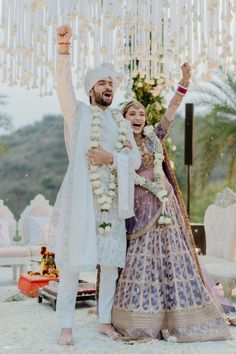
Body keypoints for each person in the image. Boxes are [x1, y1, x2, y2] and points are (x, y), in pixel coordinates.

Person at [111, 64, 232, 342]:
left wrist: (183, 83)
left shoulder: (156, 137)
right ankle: (141, 320)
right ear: (124, 119)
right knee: (141, 259)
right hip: (141, 212)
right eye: (132, 113)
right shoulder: (121, 144)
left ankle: (181, 315)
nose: (138, 117)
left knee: (173, 257)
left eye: (141, 113)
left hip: (167, 208)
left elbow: (171, 112)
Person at [48, 24, 141, 346]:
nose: (108, 87)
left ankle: (104, 322)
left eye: (111, 83)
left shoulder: (121, 121)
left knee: (110, 263)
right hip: (81, 197)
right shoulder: (77, 114)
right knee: (73, 261)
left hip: (113, 201)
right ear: (90, 89)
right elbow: (63, 86)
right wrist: (63, 50)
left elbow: (137, 161)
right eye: (101, 82)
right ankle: (66, 326)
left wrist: (110, 159)